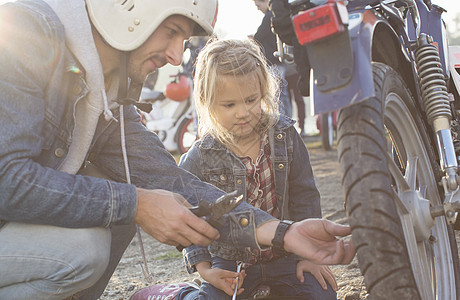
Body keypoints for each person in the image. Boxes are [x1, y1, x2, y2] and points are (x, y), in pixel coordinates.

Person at [0, 1, 354, 299]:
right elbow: (7, 180)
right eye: (171, 31)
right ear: (124, 10)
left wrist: (282, 232)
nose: (174, 56)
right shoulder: (27, 31)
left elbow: (168, 178)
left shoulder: (106, 94)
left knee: (121, 184)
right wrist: (136, 202)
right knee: (85, 251)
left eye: (182, 40)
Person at [173, 38, 338, 300]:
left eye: (251, 99)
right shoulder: (200, 156)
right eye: (229, 105)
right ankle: (184, 295)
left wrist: (312, 256)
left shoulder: (285, 136)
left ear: (264, 92)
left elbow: (305, 196)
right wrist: (206, 271)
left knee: (323, 295)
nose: (243, 112)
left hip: (286, 256)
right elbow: (190, 218)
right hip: (230, 264)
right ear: (207, 101)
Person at [252, 0, 293, 117]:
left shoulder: (269, 16)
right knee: (283, 94)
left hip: (272, 62)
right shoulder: (275, 15)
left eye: (258, 5)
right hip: (278, 61)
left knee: (276, 94)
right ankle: (288, 119)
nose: (257, 8)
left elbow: (258, 37)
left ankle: (281, 121)